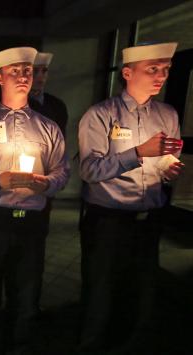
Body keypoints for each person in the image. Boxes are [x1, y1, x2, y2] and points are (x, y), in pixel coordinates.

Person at [0, 47, 69, 354]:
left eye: (27, 71)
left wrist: (46, 183)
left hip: (30, 223)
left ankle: (21, 344)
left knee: (26, 289)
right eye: (14, 72)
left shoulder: (49, 127)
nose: (22, 77)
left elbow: (62, 171)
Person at [77, 42, 183, 354]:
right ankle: (92, 346)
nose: (160, 76)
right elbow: (89, 169)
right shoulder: (100, 115)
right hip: (107, 220)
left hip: (148, 219)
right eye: (153, 69)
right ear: (127, 72)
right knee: (101, 292)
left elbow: (166, 159)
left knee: (141, 291)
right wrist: (137, 152)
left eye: (165, 70)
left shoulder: (167, 114)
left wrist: (168, 168)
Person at [28, 52, 69, 136]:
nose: (40, 76)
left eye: (44, 71)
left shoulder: (57, 105)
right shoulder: (13, 103)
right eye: (35, 71)